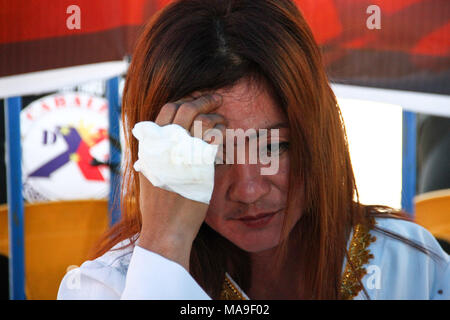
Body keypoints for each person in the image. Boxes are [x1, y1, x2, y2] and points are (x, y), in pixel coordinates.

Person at [57, 0, 449, 300]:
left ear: (320, 134)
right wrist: (163, 252)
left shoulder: (410, 268)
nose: (248, 189)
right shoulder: (108, 287)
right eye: (212, 153)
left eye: (275, 146)